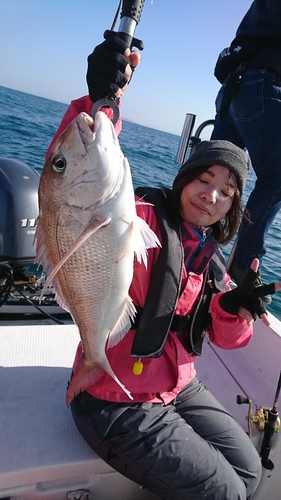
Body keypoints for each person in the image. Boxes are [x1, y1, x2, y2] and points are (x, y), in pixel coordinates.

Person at [48, 37, 281, 500]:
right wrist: (100, 100)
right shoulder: (140, 218)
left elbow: (227, 340)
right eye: (203, 178)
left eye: (227, 191)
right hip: (117, 401)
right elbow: (74, 180)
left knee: (252, 474)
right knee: (228, 495)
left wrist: (237, 308)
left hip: (177, 388)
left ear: (232, 208)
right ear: (182, 181)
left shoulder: (209, 257)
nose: (211, 195)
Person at [211, 0, 281, 290]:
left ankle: (188, 247)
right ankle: (244, 268)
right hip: (263, 84)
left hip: (233, 88)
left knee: (213, 175)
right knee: (276, 177)